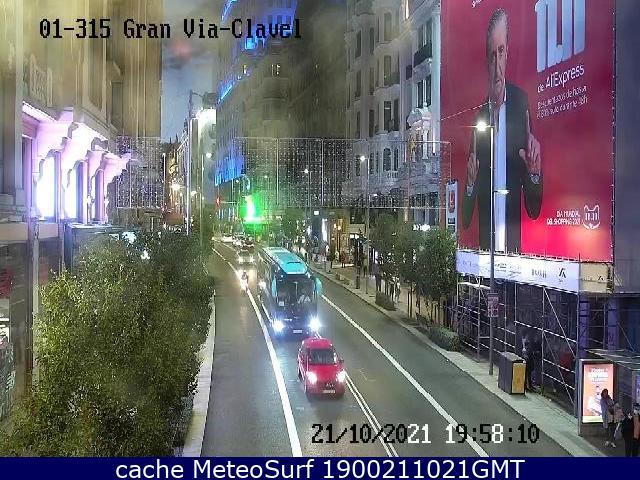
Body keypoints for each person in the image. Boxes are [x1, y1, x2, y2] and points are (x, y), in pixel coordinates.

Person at [461, 8, 543, 253]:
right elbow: (465, 218)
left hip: (513, 246)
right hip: (486, 248)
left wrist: (534, 174)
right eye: (491, 55)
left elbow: (534, 210)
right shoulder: (479, 119)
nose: (497, 64)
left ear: (507, 52)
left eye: (501, 51)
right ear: (486, 61)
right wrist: (470, 184)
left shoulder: (521, 104)